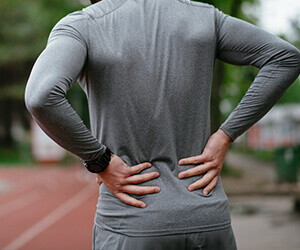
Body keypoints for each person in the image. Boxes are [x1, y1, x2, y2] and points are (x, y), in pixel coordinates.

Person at [25, 0, 300, 249]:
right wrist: (226, 135)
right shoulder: (205, 17)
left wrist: (100, 160)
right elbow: (285, 58)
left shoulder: (84, 25)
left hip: (131, 223)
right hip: (208, 218)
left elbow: (41, 96)